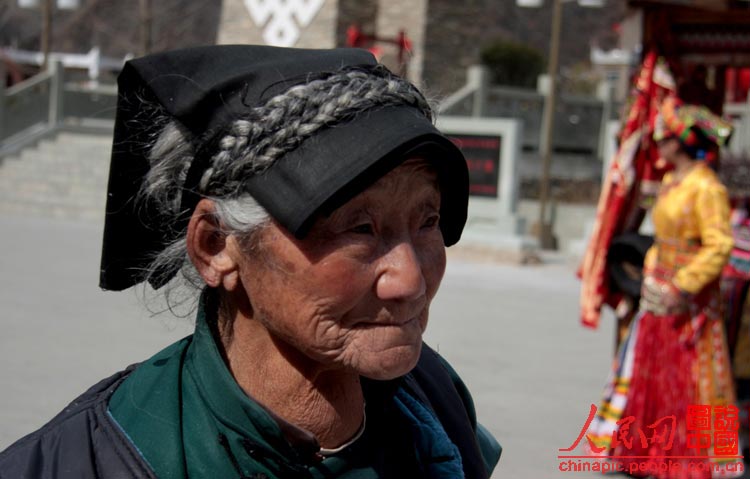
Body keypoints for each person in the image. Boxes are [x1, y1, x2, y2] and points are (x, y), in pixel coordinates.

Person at [0, 45, 501, 478]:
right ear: (216, 245)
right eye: (360, 228)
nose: (410, 281)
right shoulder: (92, 460)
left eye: (428, 221)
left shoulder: (430, 397)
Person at [586, 96, 737, 477]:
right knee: (653, 371)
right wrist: (652, 276)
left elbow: (719, 245)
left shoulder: (707, 188)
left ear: (683, 140)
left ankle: (695, 459)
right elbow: (662, 239)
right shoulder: (672, 182)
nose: (660, 141)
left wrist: (682, 286)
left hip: (690, 302)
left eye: (666, 135)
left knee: (693, 379)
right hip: (660, 293)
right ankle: (652, 452)